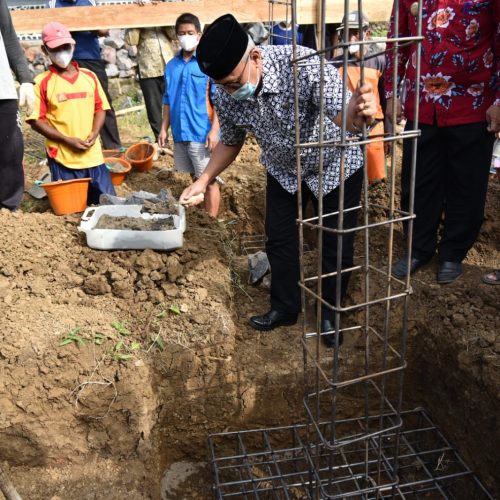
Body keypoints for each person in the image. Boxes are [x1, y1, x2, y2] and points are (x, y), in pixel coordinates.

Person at [179, 14, 377, 346]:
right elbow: (230, 139)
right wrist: (203, 179)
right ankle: (285, 308)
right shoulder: (224, 91)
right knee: (279, 240)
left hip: (334, 163)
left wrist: (357, 115)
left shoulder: (303, 66)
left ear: (255, 57)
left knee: (336, 243)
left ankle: (330, 312)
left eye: (232, 81)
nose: (229, 90)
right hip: (284, 170)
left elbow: (344, 116)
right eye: (223, 85)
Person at [386, 0, 500, 284]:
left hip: (473, 102)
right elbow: (396, 40)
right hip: (421, 105)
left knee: (466, 184)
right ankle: (418, 248)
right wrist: (390, 92)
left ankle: (452, 252)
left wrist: (499, 100)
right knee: (418, 181)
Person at [27, 22, 115, 206]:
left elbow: (100, 108)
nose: (61, 52)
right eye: (55, 48)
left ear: (73, 45)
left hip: (93, 156)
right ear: (45, 50)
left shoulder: (89, 76)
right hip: (63, 158)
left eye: (65, 47)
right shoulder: (41, 83)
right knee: (71, 210)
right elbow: (36, 120)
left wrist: (95, 133)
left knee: (109, 206)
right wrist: (67, 140)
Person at [158, 13, 221, 217]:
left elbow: (219, 100)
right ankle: (204, 216)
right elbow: (167, 99)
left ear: (199, 35)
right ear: (176, 36)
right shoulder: (171, 66)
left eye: (190, 33)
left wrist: (214, 130)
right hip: (180, 132)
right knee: (195, 176)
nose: (186, 36)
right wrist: (163, 128)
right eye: (182, 33)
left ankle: (212, 223)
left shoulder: (207, 64)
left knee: (209, 179)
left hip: (201, 131)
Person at [48, 0, 122, 151]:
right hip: (65, 59)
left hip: (91, 57)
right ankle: (68, 144)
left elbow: (104, 30)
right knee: (65, 103)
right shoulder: (53, 3)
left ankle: (113, 147)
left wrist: (81, 21)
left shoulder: (90, 1)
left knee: (102, 102)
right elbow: (51, 31)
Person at [333, 11, 388, 183]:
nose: (352, 38)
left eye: (356, 32)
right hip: (346, 128)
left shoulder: (378, 61)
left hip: (374, 127)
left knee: (376, 181)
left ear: (367, 33)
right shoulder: (335, 65)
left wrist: (389, 128)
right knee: (346, 180)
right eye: (348, 32)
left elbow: (385, 97)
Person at [124, 1, 177, 153]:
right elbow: (131, 40)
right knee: (154, 107)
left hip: (169, 65)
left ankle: (180, 137)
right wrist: (140, 15)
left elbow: (174, 35)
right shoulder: (134, 10)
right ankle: (161, 140)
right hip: (148, 69)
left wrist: (162, 10)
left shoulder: (161, 8)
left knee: (176, 101)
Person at [0, 0, 35, 211]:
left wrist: (25, 79)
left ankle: (8, 207)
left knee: (9, 150)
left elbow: (9, 36)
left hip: (1, 90)